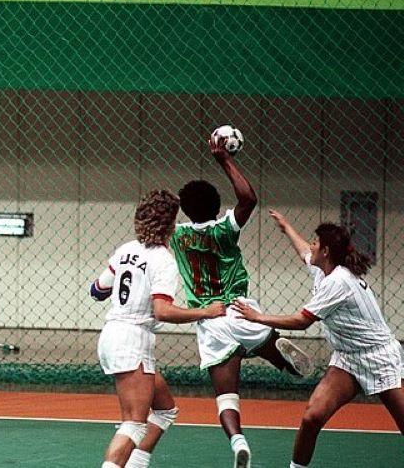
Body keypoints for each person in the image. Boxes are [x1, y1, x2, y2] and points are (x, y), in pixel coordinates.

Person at [169, 138, 313, 468]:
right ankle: (279, 355)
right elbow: (249, 198)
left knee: (226, 395)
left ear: (186, 210)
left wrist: (174, 205)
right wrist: (223, 160)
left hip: (210, 319)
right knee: (263, 341)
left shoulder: (178, 237)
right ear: (217, 206)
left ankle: (238, 442)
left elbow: (153, 223)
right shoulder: (224, 229)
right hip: (241, 309)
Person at [234, 211, 404, 468]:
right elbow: (304, 250)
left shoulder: (338, 281)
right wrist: (286, 226)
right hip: (348, 359)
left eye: (316, 243)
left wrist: (257, 318)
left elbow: (302, 321)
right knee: (312, 417)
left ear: (325, 251)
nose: (311, 245)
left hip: (379, 357)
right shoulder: (324, 269)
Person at [93, 190, 227, 468]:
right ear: (170, 225)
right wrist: (205, 311)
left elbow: (97, 290)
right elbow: (162, 311)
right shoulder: (163, 260)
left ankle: (135, 465)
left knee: (165, 410)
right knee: (134, 425)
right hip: (132, 340)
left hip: (113, 335)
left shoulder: (126, 249)